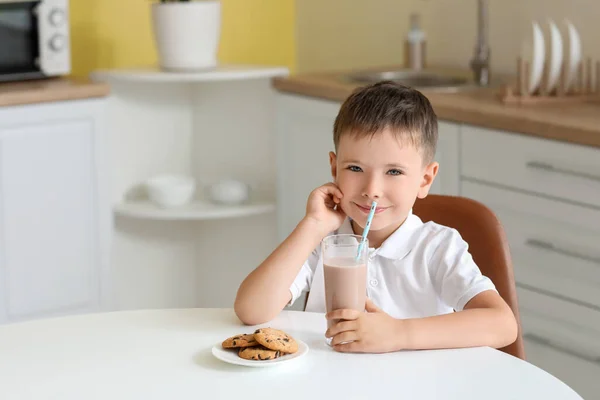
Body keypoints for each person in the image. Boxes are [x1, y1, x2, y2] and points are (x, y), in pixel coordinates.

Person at [234, 81, 518, 354]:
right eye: (355, 168)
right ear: (334, 168)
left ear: (425, 179)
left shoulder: (438, 247)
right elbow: (251, 310)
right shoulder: (325, 242)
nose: (371, 190)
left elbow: (502, 324)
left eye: (393, 172)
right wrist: (313, 226)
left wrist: (399, 334)